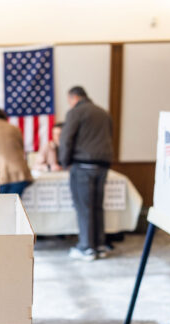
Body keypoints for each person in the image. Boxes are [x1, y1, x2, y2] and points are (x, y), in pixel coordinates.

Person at [59, 86, 113, 261]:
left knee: (84, 207)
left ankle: (86, 247)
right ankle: (99, 245)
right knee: (97, 207)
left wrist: (64, 162)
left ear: (73, 97)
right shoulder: (103, 113)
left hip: (82, 165)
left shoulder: (76, 112)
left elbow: (66, 139)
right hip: (103, 165)